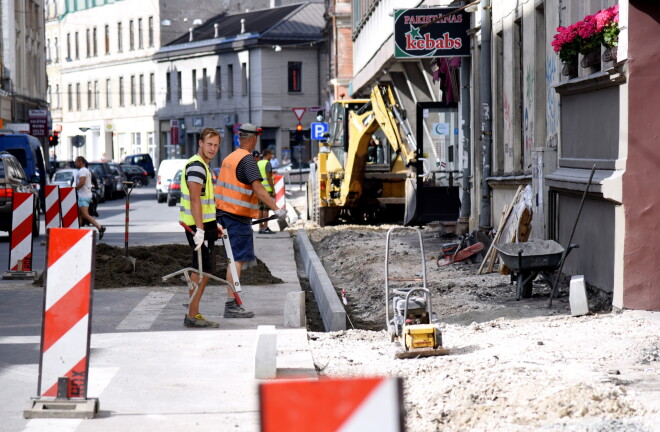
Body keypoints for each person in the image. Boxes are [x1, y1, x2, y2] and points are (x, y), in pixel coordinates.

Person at [215, 123, 286, 318]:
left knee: (234, 259)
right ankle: (231, 305)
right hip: (236, 217)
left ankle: (233, 303)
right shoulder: (247, 160)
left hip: (224, 214)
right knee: (237, 260)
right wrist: (276, 209)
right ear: (254, 139)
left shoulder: (230, 158)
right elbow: (259, 188)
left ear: (239, 138)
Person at [180, 128, 222, 328]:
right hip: (197, 227)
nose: (212, 148)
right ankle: (192, 314)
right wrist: (200, 230)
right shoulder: (196, 166)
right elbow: (195, 200)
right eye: (209, 144)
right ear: (200, 143)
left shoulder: (203, 166)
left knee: (205, 268)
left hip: (205, 225)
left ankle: (193, 312)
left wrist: (214, 224)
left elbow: (205, 203)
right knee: (202, 269)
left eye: (216, 145)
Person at [74, 156, 106, 239]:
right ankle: (77, 233)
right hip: (84, 195)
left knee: (85, 214)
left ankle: (100, 227)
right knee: (79, 215)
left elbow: (81, 183)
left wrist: (74, 189)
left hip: (83, 196)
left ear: (80, 162)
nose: (75, 163)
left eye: (76, 162)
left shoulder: (82, 171)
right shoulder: (85, 170)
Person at [257, 148, 275, 234]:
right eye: (270, 154)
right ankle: (265, 227)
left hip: (259, 189)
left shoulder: (259, 163)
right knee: (266, 209)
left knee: (260, 208)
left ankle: (260, 227)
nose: (271, 156)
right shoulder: (267, 163)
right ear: (267, 154)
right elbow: (268, 177)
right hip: (266, 189)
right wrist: (273, 189)